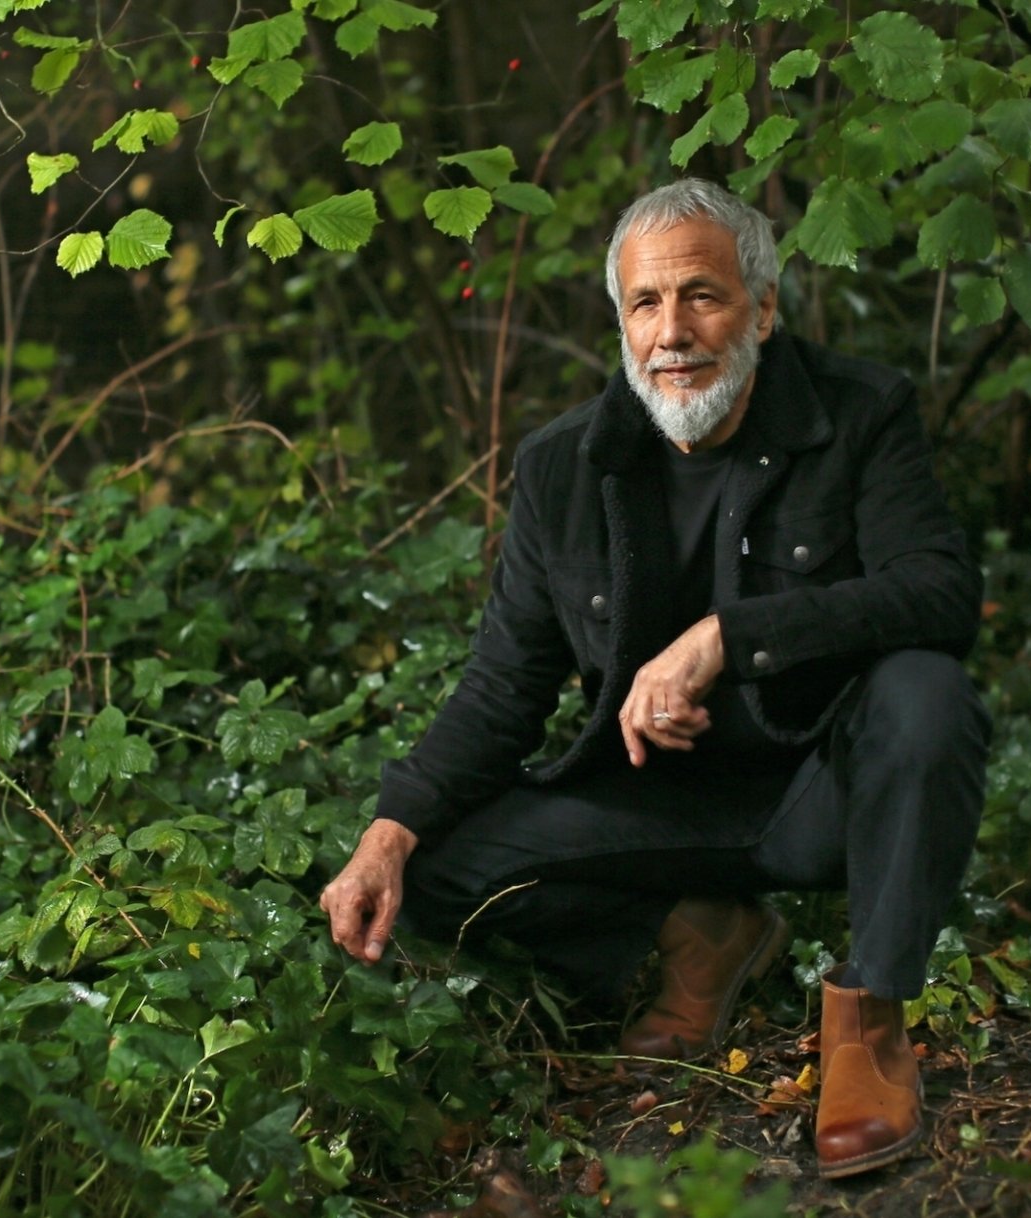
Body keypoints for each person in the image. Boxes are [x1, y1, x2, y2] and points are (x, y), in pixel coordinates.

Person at [320, 178, 991, 1178]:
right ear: (622, 321)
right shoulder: (563, 468)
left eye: (703, 297)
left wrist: (729, 636)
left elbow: (938, 593)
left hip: (819, 795)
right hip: (655, 808)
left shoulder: (860, 413)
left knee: (928, 695)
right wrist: (385, 835)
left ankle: (871, 1022)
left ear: (762, 309)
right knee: (434, 868)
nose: (672, 331)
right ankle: (698, 935)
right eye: (645, 303)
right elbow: (504, 688)